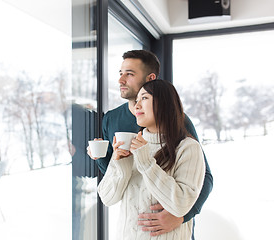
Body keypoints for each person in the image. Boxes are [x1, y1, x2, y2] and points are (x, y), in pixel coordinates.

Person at [87, 50, 213, 238]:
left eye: (129, 74)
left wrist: (181, 217)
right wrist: (105, 159)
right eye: (120, 73)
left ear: (150, 79)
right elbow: (115, 186)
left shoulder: (181, 129)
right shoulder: (111, 119)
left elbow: (203, 178)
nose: (121, 80)